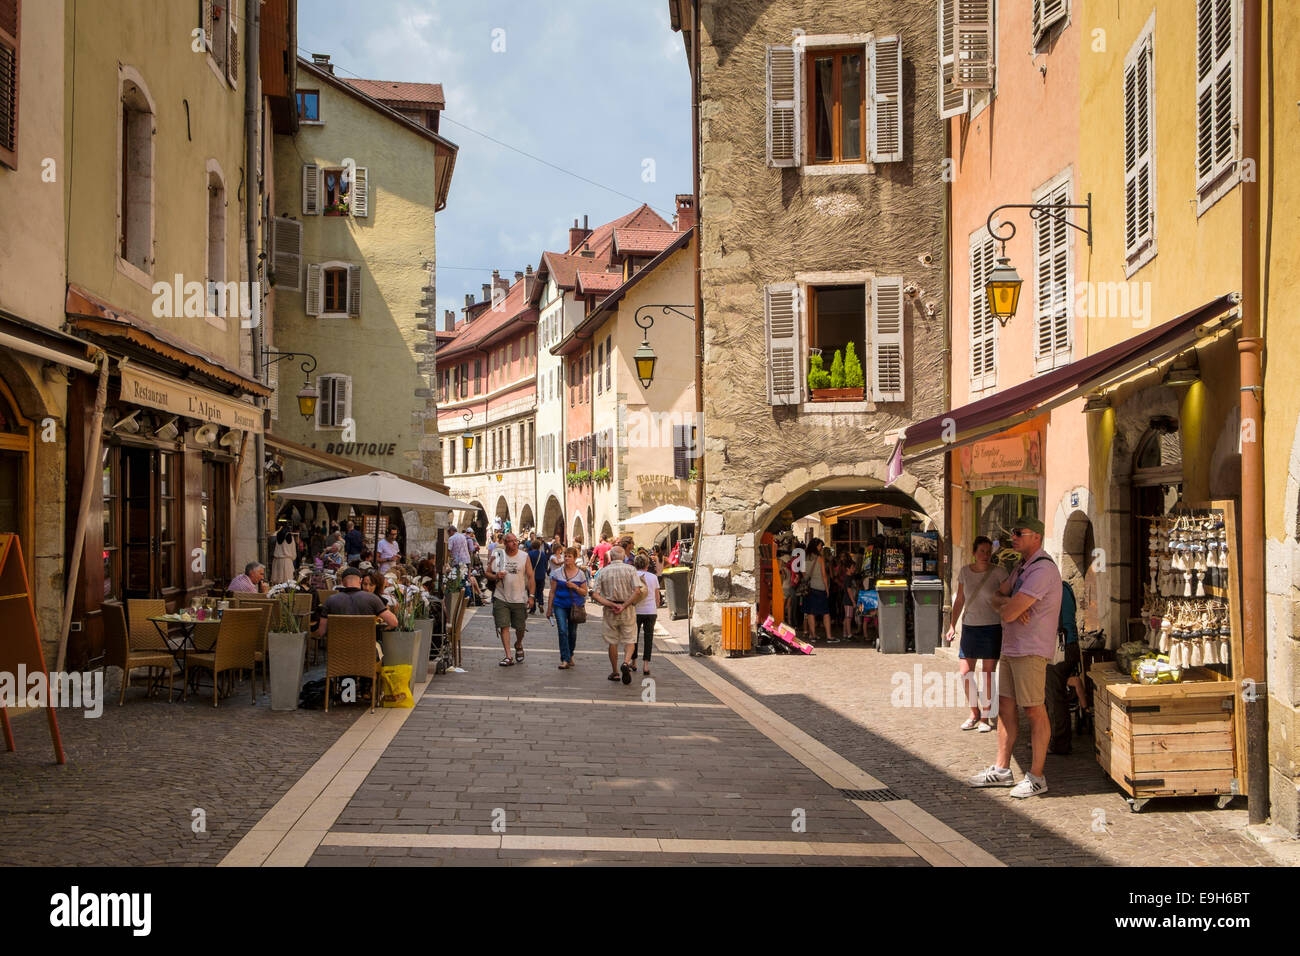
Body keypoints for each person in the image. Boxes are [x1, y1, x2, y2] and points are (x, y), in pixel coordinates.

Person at [969, 516, 1062, 799]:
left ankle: (1036, 777)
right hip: (1011, 647)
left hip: (1031, 650)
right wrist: (1009, 604)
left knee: (1034, 710)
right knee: (1006, 707)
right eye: (1012, 532)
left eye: (1019, 533)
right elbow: (995, 597)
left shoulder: (1042, 570)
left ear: (1037, 537)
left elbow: (1005, 610)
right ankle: (1001, 769)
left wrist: (1008, 606)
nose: (1013, 537)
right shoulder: (1022, 566)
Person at [945, 536, 1009, 733]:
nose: (985, 555)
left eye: (988, 552)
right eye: (981, 551)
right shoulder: (965, 572)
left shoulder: (999, 572)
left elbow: (1007, 598)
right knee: (965, 673)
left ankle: (987, 716)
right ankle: (974, 712)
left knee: (988, 674)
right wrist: (952, 625)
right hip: (970, 627)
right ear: (974, 552)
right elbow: (960, 600)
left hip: (991, 628)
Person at [591, 546, 646, 685]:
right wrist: (624, 605)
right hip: (627, 609)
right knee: (630, 639)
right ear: (623, 557)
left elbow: (595, 594)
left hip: (610, 610)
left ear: (611, 557)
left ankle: (615, 672)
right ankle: (626, 662)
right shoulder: (631, 570)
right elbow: (637, 591)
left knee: (612, 641)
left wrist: (611, 604)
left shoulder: (603, 571)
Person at [484, 533, 535, 666]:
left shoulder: (524, 556)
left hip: (519, 598)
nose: (514, 543)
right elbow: (487, 572)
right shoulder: (499, 554)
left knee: (520, 628)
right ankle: (508, 656)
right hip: (501, 596)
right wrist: (496, 576)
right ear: (505, 543)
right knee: (503, 626)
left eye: (515, 541)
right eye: (511, 541)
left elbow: (530, 577)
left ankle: (518, 644)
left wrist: (531, 596)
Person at [1044, 577, 1081, 755]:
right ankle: (1048, 737)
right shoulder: (1065, 587)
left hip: (1060, 647)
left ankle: (1059, 742)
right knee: (1053, 695)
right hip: (1069, 645)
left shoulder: (1052, 590)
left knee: (1054, 696)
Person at [545, 546, 589, 669]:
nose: (567, 558)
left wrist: (574, 587)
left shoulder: (580, 574)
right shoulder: (557, 573)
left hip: (575, 606)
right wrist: (549, 608)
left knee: (572, 633)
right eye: (566, 556)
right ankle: (565, 658)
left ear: (575, 558)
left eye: (570, 556)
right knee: (562, 631)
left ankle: (570, 654)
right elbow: (552, 591)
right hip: (560, 605)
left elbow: (585, 592)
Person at [628, 553, 660, 675]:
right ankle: (646, 665)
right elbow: (657, 597)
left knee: (633, 637)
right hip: (650, 611)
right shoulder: (653, 577)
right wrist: (655, 606)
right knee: (648, 637)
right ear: (647, 564)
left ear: (635, 564)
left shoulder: (632, 576)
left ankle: (634, 661)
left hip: (636, 611)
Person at [801, 539, 833, 643]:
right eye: (820, 546)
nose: (821, 548)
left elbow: (803, 574)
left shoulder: (804, 558)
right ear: (816, 547)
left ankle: (813, 635)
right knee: (825, 612)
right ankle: (829, 636)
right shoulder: (820, 558)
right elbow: (824, 575)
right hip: (820, 587)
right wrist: (827, 588)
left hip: (809, 588)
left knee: (811, 612)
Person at [526, 537, 548, 614]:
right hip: (541, 575)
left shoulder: (529, 554)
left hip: (532, 575)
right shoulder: (542, 554)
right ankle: (541, 603)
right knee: (540, 590)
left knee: (532, 592)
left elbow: (527, 565)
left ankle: (533, 609)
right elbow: (546, 564)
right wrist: (544, 571)